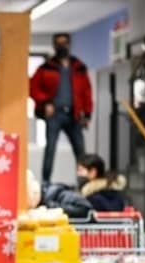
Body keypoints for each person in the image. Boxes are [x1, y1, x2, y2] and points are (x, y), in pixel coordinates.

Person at [29, 33, 93, 184]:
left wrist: (87, 114)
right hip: (55, 115)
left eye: (64, 43)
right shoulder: (46, 67)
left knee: (80, 152)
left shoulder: (79, 67)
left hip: (74, 114)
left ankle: (85, 185)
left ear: (69, 44)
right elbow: (33, 87)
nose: (61, 46)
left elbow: (86, 91)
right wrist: (45, 103)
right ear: (54, 46)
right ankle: (46, 183)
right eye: (58, 43)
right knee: (50, 149)